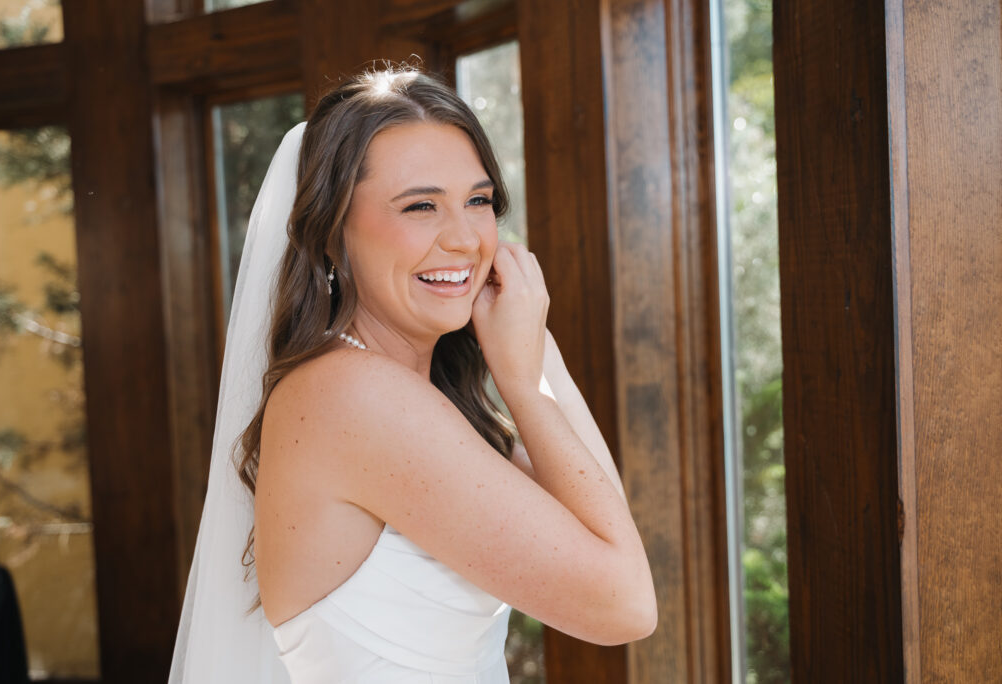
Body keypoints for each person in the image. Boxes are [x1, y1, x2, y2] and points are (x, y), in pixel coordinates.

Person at [169, 65, 656, 684]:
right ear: (332, 235)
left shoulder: (411, 398)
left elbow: (601, 522)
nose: (465, 240)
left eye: (478, 201)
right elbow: (624, 605)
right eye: (421, 206)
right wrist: (521, 380)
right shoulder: (354, 397)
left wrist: (536, 347)